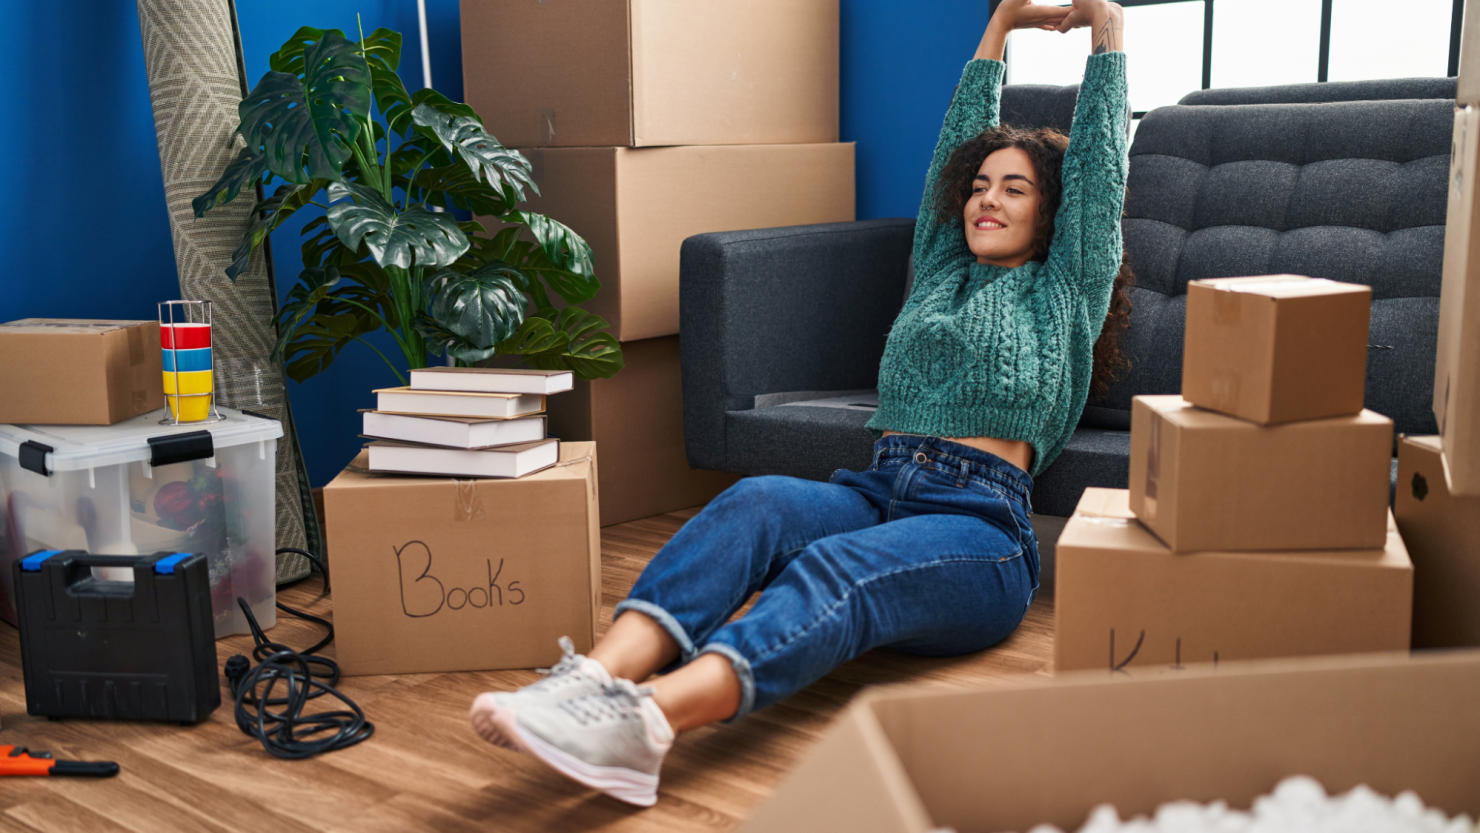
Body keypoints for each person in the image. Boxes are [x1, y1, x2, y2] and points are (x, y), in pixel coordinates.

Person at [469, 0, 1132, 807]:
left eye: (1014, 189)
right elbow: (949, 157)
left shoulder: (1065, 287)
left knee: (834, 566)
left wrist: (1105, 30)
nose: (984, 200)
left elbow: (1100, 170)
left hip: (981, 528)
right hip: (874, 489)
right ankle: (587, 682)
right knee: (752, 502)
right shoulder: (938, 268)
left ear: (1053, 214)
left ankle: (646, 723)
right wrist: (999, 25)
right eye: (979, 187)